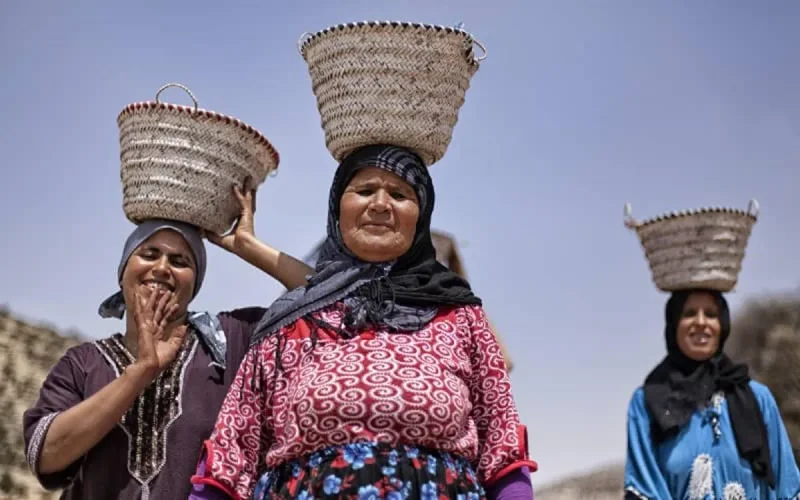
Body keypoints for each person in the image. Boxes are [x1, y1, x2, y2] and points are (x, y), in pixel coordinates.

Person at [189, 144, 536, 499]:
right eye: (365, 190)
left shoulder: (460, 317)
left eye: (399, 194)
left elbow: (502, 446)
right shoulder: (289, 324)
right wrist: (249, 246)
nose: (381, 204)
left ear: (421, 215)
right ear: (338, 208)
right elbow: (231, 456)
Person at [22, 181, 315, 499]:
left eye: (179, 262)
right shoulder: (83, 363)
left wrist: (249, 246)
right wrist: (141, 371)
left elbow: (327, 297)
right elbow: (46, 455)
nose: (162, 268)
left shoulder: (231, 341)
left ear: (195, 283)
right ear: (123, 272)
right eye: (149, 255)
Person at [624, 288, 800, 499]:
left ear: (722, 325)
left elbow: (787, 487)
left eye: (710, 314)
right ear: (674, 323)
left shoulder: (757, 398)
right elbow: (644, 489)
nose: (701, 322)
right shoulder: (647, 403)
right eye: (689, 313)